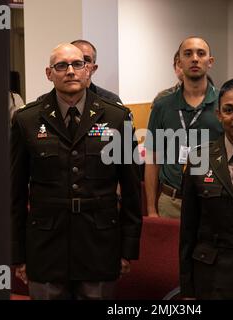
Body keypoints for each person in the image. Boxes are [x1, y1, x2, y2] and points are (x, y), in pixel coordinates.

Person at [11, 43, 142, 300]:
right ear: (49, 73)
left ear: (89, 70)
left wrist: (128, 249)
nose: (70, 71)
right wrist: (18, 254)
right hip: (45, 248)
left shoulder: (117, 117)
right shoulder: (27, 120)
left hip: (100, 246)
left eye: (77, 64)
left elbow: (131, 189)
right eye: (61, 66)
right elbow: (14, 194)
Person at [179, 77, 233, 299]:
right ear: (219, 115)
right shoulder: (199, 158)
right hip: (211, 274)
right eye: (229, 110)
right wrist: (188, 289)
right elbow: (188, 231)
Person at [145, 36, 223, 219]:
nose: (195, 58)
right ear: (179, 62)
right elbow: (152, 159)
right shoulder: (162, 105)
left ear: (210, 62)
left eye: (201, 54)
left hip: (213, 200)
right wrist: (151, 209)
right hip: (171, 202)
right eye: (188, 54)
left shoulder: (224, 103)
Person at [71, 39, 123, 104]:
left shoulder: (111, 101)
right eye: (74, 59)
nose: (80, 63)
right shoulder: (54, 100)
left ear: (94, 68)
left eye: (86, 59)